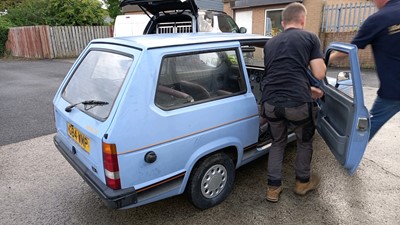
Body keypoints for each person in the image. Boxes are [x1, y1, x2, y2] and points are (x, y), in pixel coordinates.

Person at [261, 2, 326, 202]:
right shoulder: (310, 37)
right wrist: (311, 88)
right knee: (304, 142)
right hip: (297, 103)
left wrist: (306, 88)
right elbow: (319, 72)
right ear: (303, 20)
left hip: (271, 103)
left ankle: (273, 188)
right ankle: (302, 182)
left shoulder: (270, 43)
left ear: (282, 22)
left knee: (277, 142)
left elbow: (279, 75)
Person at [330, 0, 400, 141]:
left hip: (393, 91)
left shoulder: (378, 19)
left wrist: (325, 59)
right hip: (393, 90)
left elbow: (349, 51)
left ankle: (350, 156)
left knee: (365, 130)